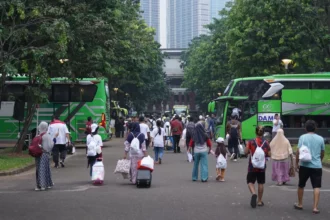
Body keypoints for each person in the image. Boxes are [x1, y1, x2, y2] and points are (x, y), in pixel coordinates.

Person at [294, 120, 325, 214]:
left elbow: (298, 152)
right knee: (316, 186)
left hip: (304, 165)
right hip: (316, 166)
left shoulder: (302, 137)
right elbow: (322, 152)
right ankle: (315, 207)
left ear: (305, 128)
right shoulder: (320, 138)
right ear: (315, 128)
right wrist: (319, 160)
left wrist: (296, 163)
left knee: (301, 185)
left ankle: (300, 204)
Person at [245, 125, 271, 208]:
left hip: (252, 166)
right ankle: (259, 201)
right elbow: (269, 154)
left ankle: (253, 193)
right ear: (263, 133)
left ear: (255, 132)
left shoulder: (251, 142)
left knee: (250, 181)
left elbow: (245, 152)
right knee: (261, 182)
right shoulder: (266, 143)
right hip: (262, 166)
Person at [35, 122, 54, 191]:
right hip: (46, 154)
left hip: (38, 154)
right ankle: (47, 184)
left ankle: (39, 185)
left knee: (39, 169)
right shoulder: (47, 135)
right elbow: (51, 145)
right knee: (46, 169)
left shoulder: (38, 136)